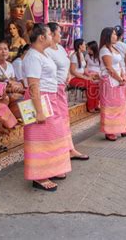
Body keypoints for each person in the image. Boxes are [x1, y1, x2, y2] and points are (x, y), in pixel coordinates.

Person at [22, 23, 72, 191]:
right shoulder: (33, 56)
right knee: (40, 140)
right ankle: (39, 176)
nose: (52, 37)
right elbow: (34, 85)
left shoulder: (43, 54)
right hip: (40, 100)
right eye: (50, 34)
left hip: (50, 98)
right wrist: (39, 111)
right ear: (42, 37)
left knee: (53, 136)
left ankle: (52, 168)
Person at [45, 23, 89, 161]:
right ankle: (60, 150)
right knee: (56, 121)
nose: (61, 35)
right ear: (50, 34)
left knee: (64, 119)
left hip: (62, 87)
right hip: (52, 89)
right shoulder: (45, 51)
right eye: (59, 32)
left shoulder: (61, 49)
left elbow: (68, 67)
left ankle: (69, 148)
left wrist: (68, 77)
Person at [99, 27, 126, 141]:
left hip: (119, 80)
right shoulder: (104, 50)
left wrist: (123, 76)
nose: (116, 36)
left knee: (121, 106)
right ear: (107, 36)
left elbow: (119, 64)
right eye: (113, 34)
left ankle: (124, 128)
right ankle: (109, 131)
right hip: (109, 82)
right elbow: (109, 68)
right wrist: (119, 78)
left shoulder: (114, 48)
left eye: (116, 34)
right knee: (110, 107)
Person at [0, 40, 25, 118]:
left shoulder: (10, 65)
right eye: (0, 49)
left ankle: (19, 121)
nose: (3, 52)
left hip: (6, 92)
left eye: (6, 49)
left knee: (25, 95)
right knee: (17, 97)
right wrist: (11, 88)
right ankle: (4, 123)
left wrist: (16, 86)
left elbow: (13, 81)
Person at [67, 38, 100, 113]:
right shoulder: (74, 56)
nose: (85, 46)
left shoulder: (81, 54)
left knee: (95, 83)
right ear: (80, 46)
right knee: (91, 84)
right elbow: (72, 71)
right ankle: (91, 107)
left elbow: (84, 68)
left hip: (81, 77)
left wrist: (89, 75)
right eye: (84, 44)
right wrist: (85, 77)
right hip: (74, 78)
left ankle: (96, 105)